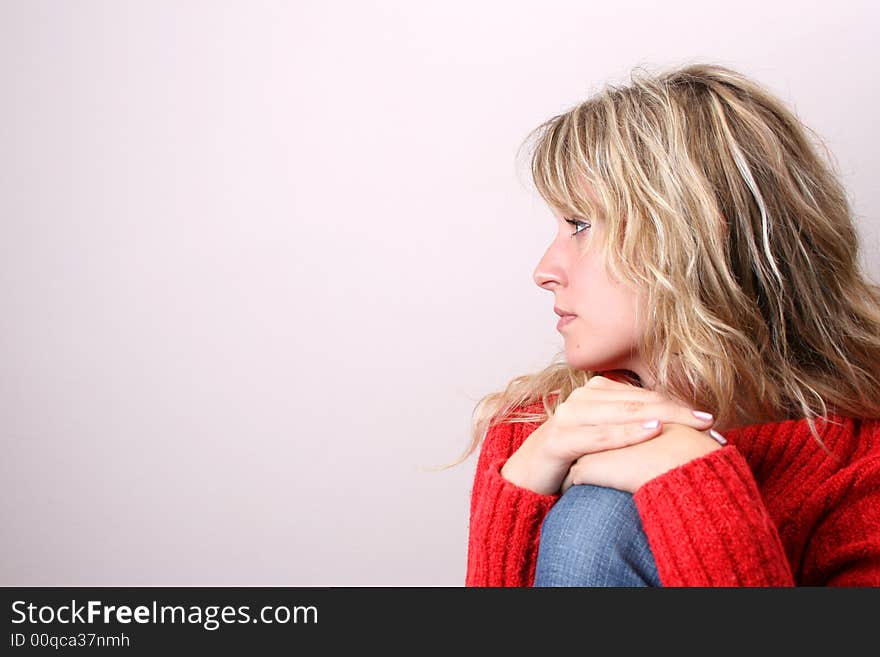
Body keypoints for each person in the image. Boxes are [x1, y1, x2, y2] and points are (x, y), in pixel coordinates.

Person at [448, 63, 880, 586]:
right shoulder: (540, 429)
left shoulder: (860, 466)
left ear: (694, 238)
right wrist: (524, 478)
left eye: (580, 225)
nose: (545, 271)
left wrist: (695, 482)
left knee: (599, 515)